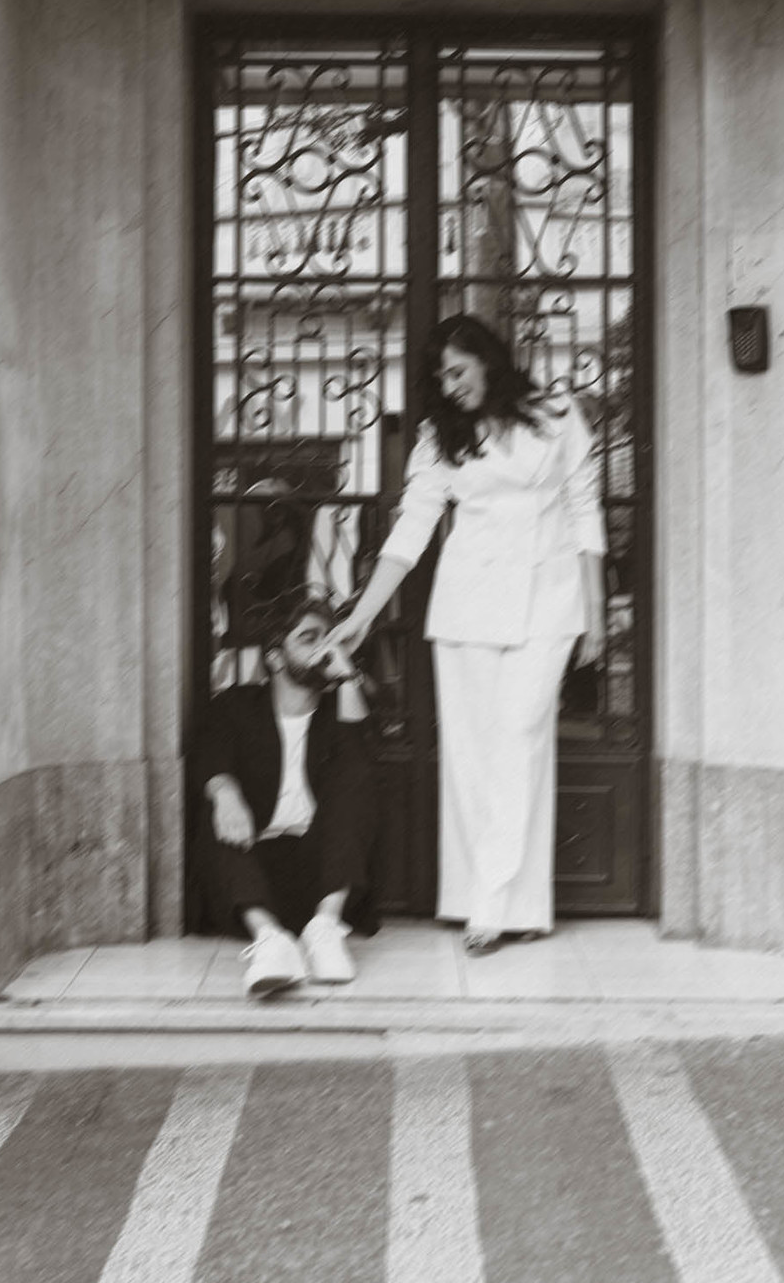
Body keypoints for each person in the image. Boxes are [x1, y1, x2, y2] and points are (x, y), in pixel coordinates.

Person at [329, 313, 606, 956]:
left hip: (549, 602)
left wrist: (596, 615)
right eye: (441, 379)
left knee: (519, 739)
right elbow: (411, 529)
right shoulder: (439, 437)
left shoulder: (558, 414)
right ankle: (499, 903)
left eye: (458, 371)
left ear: (487, 359)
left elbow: (585, 509)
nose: (451, 387)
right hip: (467, 607)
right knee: (473, 756)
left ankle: (492, 902)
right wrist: (363, 613)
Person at [186, 590, 380, 997]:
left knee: (357, 774)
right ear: (275, 658)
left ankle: (325, 930)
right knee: (216, 808)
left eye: (329, 638)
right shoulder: (237, 705)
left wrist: (345, 675)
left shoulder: (337, 711)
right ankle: (270, 941)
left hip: (322, 876)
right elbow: (211, 756)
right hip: (253, 873)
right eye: (309, 639)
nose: (324, 648)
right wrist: (225, 793)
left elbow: (359, 758)